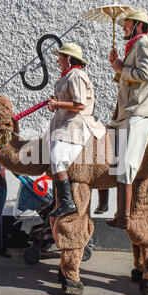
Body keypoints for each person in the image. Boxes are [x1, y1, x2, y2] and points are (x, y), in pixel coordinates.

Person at [106, 9, 148, 229]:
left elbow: (144, 75)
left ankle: (124, 216)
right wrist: (119, 67)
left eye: (127, 23)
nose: (123, 26)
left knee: (126, 162)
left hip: (140, 110)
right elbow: (129, 77)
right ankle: (112, 207)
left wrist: (121, 67)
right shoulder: (135, 46)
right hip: (128, 110)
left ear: (138, 26)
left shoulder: (144, 45)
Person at [47, 42, 106, 217]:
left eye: (60, 57)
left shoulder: (76, 75)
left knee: (58, 159)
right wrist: (57, 101)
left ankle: (67, 202)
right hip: (64, 123)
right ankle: (59, 199)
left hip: (75, 124)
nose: (58, 61)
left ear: (69, 58)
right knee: (52, 159)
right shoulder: (68, 76)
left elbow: (80, 104)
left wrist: (57, 103)